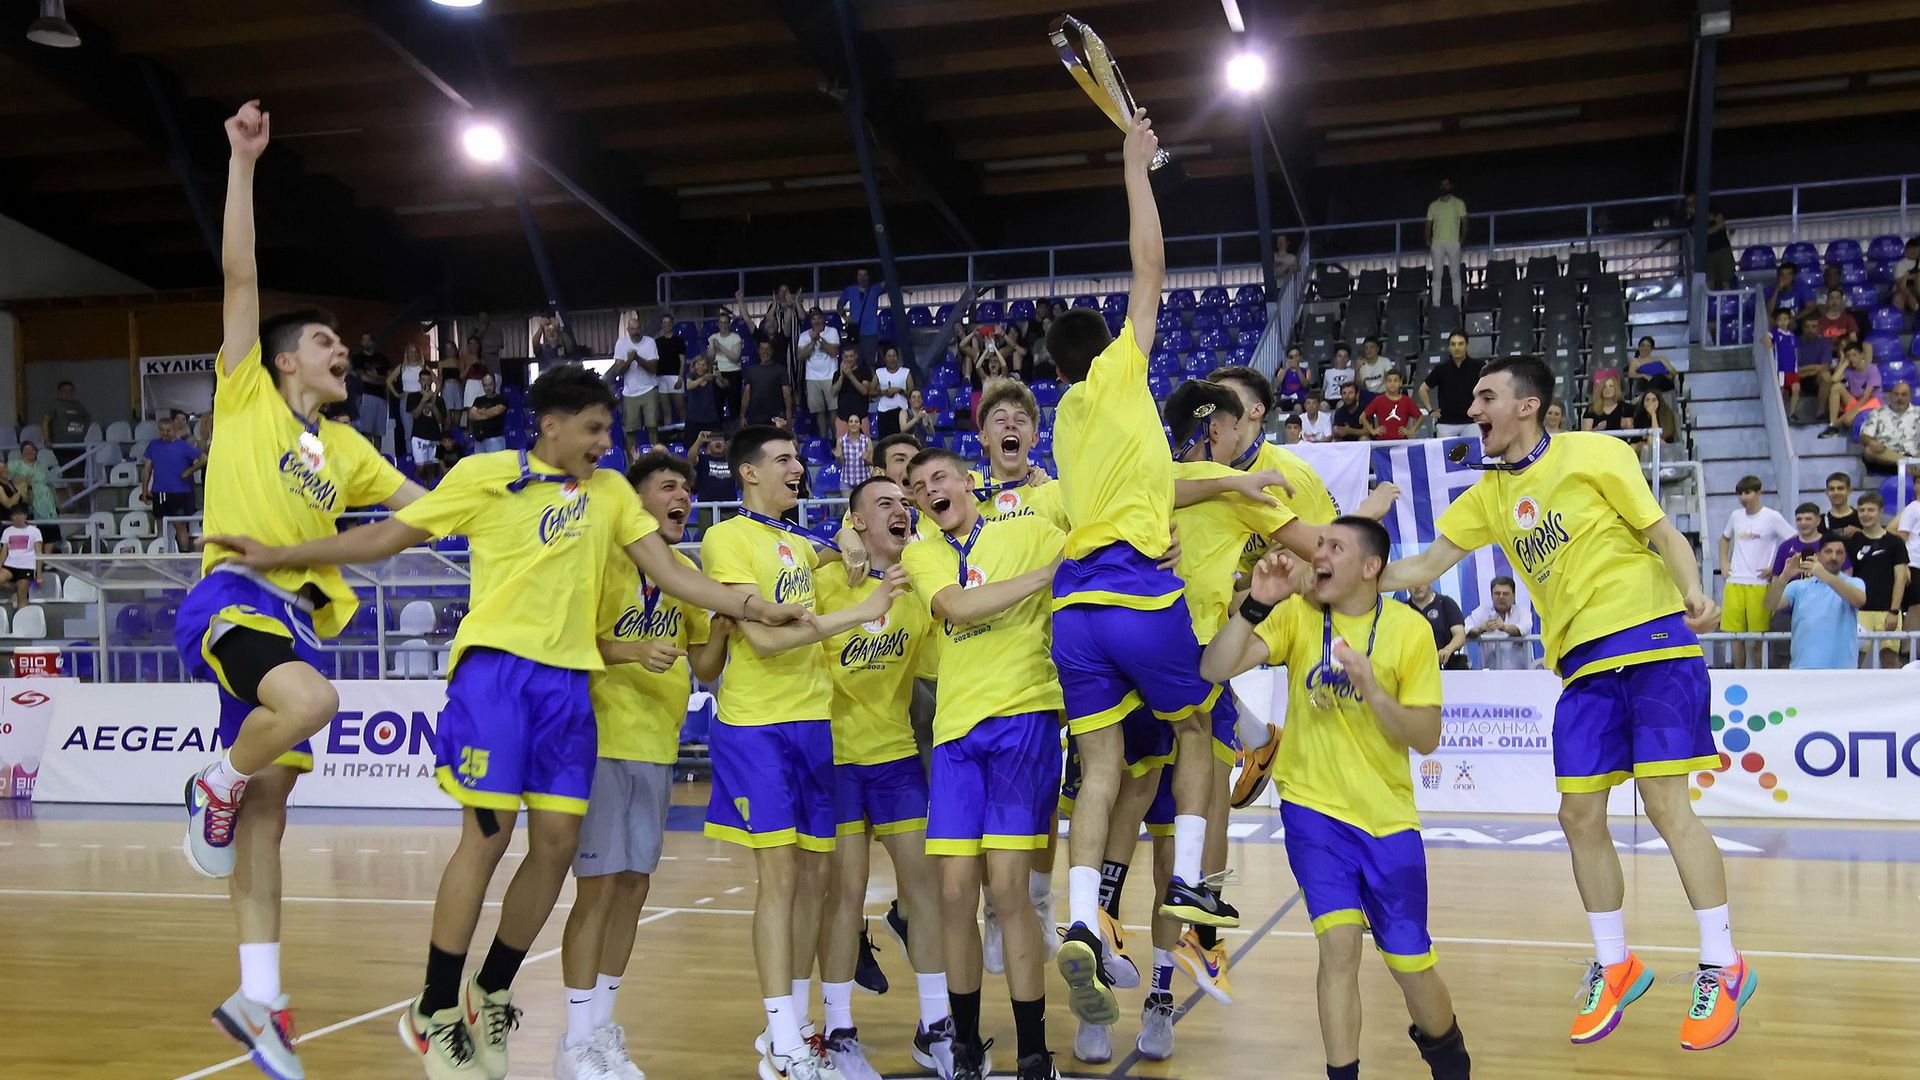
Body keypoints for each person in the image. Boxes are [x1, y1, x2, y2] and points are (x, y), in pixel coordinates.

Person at [210, 366, 809, 1080]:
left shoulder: (611, 493)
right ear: (551, 425)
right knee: (488, 838)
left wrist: (752, 607)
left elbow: (675, 575)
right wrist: (284, 556)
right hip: (496, 676)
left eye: (608, 430)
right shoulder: (485, 475)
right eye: (593, 428)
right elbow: (386, 538)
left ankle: (490, 989)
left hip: (568, 688)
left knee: (556, 846)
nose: (604, 443)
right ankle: (434, 1006)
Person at [1380, 355, 1753, 1052]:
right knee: (1576, 815)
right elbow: (1423, 567)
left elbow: (1662, 533)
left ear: (1526, 405)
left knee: (1666, 806)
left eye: (1485, 397)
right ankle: (1616, 965)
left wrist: (1694, 590)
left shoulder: (1597, 453)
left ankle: (1723, 963)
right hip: (1581, 665)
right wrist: (1343, 572)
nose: (1472, 410)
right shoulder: (1487, 496)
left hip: (1652, 641)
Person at [172, 100, 429, 1080]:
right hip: (233, 598)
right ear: (285, 360)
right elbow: (240, 274)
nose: (340, 350)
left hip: (298, 621)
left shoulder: (348, 446)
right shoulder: (246, 391)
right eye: (325, 340)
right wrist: (242, 163)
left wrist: (519, 499)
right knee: (313, 706)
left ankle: (259, 997)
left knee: (268, 818)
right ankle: (213, 780)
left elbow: (427, 511)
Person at [1045, 109, 1241, 1041]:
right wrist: (1135, 167)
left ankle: (1082, 919)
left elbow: (1161, 484)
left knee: (1100, 767)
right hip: (1134, 590)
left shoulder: (1065, 421)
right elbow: (1150, 266)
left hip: (1073, 609)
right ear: (1105, 350)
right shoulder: (1119, 374)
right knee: (1197, 723)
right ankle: (1195, 885)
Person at [1202, 526, 1472, 1080]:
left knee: (1411, 965)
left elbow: (1425, 737)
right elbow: (1213, 668)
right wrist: (1256, 603)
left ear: (1370, 568)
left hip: (1388, 821)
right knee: (1339, 947)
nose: (1318, 554)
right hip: (1313, 813)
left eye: (1334, 548)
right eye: (1319, 544)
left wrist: (1373, 690)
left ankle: (1451, 1064)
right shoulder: (1297, 615)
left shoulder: (1409, 630)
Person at [698, 425, 899, 1080]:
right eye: (783, 459)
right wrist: (862, 610)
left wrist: (845, 546)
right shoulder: (727, 539)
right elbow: (764, 641)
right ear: (748, 472)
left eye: (797, 457)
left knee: (815, 880)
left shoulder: (792, 539)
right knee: (780, 878)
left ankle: (791, 1025)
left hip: (814, 726)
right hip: (757, 727)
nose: (797, 466)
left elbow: (828, 549)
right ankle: (782, 1035)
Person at [556, 452, 728, 1080]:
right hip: (600, 741)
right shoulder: (601, 559)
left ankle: (601, 1029)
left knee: (633, 887)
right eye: (668, 487)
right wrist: (629, 650)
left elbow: (703, 666)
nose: (683, 497)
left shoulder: (685, 574)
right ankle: (574, 1039)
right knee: (598, 887)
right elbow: (565, 638)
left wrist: (725, 624)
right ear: (635, 503)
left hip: (657, 745)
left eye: (687, 489)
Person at [901, 447, 1067, 1080]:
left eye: (939, 477)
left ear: (969, 481)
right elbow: (957, 607)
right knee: (952, 895)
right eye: (918, 486)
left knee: (1008, 890)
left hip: (1023, 716)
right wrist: (1043, 576)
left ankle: (1033, 1054)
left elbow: (1098, 545)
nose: (929, 490)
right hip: (955, 732)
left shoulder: (1029, 527)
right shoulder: (922, 553)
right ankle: (967, 1047)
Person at [815, 476, 953, 1080]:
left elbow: (943, 665)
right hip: (837, 760)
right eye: (884, 503)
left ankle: (937, 1026)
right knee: (844, 896)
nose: (901, 509)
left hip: (896, 758)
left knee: (925, 892)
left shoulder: (920, 592)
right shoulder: (824, 581)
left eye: (904, 502)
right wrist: (837, 545)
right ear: (857, 521)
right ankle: (838, 1033)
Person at [1718, 477, 1794, 670]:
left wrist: (1775, 568)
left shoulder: (1772, 517)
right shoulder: (1736, 516)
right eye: (1741, 493)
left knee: (1759, 639)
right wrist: (1724, 562)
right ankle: (1738, 674)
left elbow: (1793, 542)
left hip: (1759, 584)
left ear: (1759, 493)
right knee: (1735, 637)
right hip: (1735, 582)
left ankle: (1760, 676)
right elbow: (1724, 538)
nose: (1744, 497)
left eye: (1748, 492)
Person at [1764, 535, 1866, 670]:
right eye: (1828, 551)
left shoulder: (1854, 583)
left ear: (1845, 557)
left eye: (1839, 552)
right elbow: (1770, 605)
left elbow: (1859, 600)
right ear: (1818, 555)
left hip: (1842, 670)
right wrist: (1784, 576)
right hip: (1803, 669)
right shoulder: (1799, 586)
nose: (1834, 557)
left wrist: (1824, 575)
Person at [1848, 492, 1909, 668]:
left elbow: (1900, 578)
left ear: (1880, 511)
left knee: (1890, 659)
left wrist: (1894, 611)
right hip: (1859, 612)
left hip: (1887, 611)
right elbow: (1847, 576)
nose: (1865, 514)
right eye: (1862, 510)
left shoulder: (1895, 542)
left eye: (1870, 510)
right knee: (1854, 660)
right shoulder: (1853, 542)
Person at [142, 413, 208, 551]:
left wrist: (189, 471)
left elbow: (203, 459)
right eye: (162, 431)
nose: (165, 434)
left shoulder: (183, 446)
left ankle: (184, 556)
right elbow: (147, 468)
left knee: (180, 526)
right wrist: (144, 490)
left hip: (180, 492)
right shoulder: (153, 445)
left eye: (168, 431)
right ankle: (162, 554)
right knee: (161, 526)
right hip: (160, 491)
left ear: (174, 429)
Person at [612, 314, 661, 453]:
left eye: (638, 328)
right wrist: (629, 360)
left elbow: (653, 369)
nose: (636, 331)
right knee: (630, 430)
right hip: (630, 392)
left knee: (652, 426)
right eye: (633, 329)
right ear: (628, 330)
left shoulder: (650, 342)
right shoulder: (621, 343)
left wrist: (637, 358)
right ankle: (632, 460)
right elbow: (619, 371)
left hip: (649, 389)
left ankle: (655, 456)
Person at [1420, 331, 1482, 439]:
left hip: (1472, 423)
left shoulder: (1479, 366)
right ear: (1449, 347)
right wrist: (1431, 411)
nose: (1457, 348)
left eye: (1460, 343)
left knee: (1474, 450)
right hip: (1446, 424)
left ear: (1467, 345)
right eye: (1453, 344)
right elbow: (1422, 390)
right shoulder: (1441, 369)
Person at [1465, 576, 1533, 670]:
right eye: (1497, 593)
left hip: (1519, 672)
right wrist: (1481, 629)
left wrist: (1504, 627)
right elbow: (1465, 628)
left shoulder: (1522, 611)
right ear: (1491, 595)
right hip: (1489, 673)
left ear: (1513, 595)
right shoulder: (1482, 611)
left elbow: (1525, 628)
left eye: (1505, 594)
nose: (1501, 597)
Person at [41, 379, 91, 495]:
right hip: (63, 446)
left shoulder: (78, 406)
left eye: (70, 390)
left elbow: (87, 419)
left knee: (78, 476)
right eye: (64, 390)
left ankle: (76, 500)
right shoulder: (55, 405)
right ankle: (82, 500)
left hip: (78, 446)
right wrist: (47, 439)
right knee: (72, 475)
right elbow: (45, 421)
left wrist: (82, 433)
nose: (67, 393)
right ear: (59, 392)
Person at [799, 310, 842, 440]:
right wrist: (812, 342)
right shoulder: (804, 336)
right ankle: (824, 440)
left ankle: (836, 440)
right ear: (810, 321)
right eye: (813, 319)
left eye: (818, 318)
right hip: (812, 378)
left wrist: (819, 339)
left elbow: (834, 352)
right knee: (819, 412)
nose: (816, 321)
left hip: (830, 376)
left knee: (834, 410)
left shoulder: (832, 332)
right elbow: (800, 356)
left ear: (823, 318)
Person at [1822, 342, 1882, 437]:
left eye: (1854, 355)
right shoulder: (1849, 370)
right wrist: (1844, 363)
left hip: (1872, 403)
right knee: (1836, 387)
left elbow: (1865, 399)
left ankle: (1834, 426)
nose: (1851, 358)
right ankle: (1832, 424)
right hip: (1857, 401)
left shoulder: (1872, 370)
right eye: (1848, 356)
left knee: (1847, 420)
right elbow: (1834, 379)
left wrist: (1844, 417)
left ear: (1862, 355)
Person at [1406, 581, 1469, 671]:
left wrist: (1447, 649)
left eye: (1422, 581)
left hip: (1444, 668)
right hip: (1412, 669)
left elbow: (1460, 635)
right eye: (1412, 582)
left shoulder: (1445, 603)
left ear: (1430, 581)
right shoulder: (1402, 609)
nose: (1417, 586)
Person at [1862, 380, 1920, 475]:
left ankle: (1908, 465)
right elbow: (1865, 436)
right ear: (1890, 396)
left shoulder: (1918, 413)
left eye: (1903, 394)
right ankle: (1905, 463)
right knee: (1869, 451)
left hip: (1914, 456)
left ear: (1910, 397)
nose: (1899, 398)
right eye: (1896, 394)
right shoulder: (1877, 412)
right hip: (1885, 458)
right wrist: (1871, 442)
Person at [1426, 178, 1468, 307]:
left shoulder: (1459, 203)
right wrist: (1428, 239)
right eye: (1443, 185)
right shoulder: (1433, 205)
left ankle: (1457, 305)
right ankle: (1436, 305)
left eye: (1447, 184)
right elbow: (1428, 223)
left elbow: (1465, 220)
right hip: (1437, 243)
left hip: (1453, 242)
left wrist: (1462, 238)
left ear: (1451, 186)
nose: (1445, 187)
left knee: (1455, 274)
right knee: (1437, 276)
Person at [1766, 307, 1808, 420]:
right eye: (1780, 319)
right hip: (1781, 369)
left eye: (1785, 319)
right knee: (1780, 392)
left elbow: (1796, 352)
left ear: (1789, 320)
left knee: (1796, 389)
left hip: (1793, 369)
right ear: (1776, 322)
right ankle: (1777, 415)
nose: (1783, 322)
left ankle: (1792, 413)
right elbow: (1765, 340)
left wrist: (1797, 367)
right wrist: (1769, 346)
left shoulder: (1794, 336)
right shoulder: (1774, 333)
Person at [837, 267, 885, 366]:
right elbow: (839, 305)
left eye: (865, 275)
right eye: (860, 275)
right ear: (857, 277)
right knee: (854, 363)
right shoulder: (850, 290)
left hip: (871, 332)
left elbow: (889, 281)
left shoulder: (875, 288)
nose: (862, 278)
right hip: (855, 331)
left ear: (869, 277)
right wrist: (844, 317)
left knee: (870, 363)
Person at [1771, 502, 1832, 580]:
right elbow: (1775, 580)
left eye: (1808, 519)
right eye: (1799, 519)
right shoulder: (1785, 547)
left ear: (1818, 521)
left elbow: (1844, 575)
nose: (1803, 523)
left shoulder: (1831, 544)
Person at [742, 339, 795, 429]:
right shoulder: (751, 370)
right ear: (758, 351)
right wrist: (742, 415)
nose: (765, 352)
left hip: (776, 417)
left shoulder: (780, 370)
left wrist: (789, 414)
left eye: (768, 349)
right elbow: (746, 395)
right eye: (762, 349)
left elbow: (786, 394)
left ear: (772, 351)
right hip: (755, 417)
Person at [353, 334, 394, 448]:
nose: (366, 342)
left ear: (373, 342)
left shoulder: (382, 358)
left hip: (382, 398)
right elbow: (363, 378)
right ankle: (367, 455)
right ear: (361, 342)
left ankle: (377, 456)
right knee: (366, 431)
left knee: (378, 432)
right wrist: (382, 379)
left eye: (368, 340)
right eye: (364, 340)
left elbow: (390, 378)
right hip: (366, 396)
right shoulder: (358, 358)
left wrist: (376, 377)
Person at [711, 299, 747, 427]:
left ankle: (736, 430)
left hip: (733, 372)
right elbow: (710, 357)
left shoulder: (735, 338)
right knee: (717, 404)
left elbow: (736, 358)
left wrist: (720, 347)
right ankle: (719, 430)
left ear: (729, 324)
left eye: (725, 322)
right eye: (721, 322)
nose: (723, 325)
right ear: (718, 324)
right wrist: (713, 348)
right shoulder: (713, 337)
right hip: (718, 372)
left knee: (734, 404)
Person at [388, 343, 430, 448]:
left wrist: (429, 394)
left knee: (423, 429)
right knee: (408, 431)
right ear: (407, 354)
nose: (413, 354)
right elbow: (389, 381)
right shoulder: (402, 367)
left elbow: (435, 381)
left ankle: (423, 453)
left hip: (421, 398)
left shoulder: (423, 367)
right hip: (406, 398)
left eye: (415, 352)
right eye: (411, 352)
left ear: (419, 353)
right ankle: (411, 454)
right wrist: (397, 394)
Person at [1, 506, 43, 609]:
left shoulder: (35, 531)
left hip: (27, 566)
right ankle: (14, 586)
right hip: (10, 565)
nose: (17, 517)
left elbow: (39, 553)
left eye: (20, 514)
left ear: (25, 516)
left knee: (22, 593)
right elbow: (4, 553)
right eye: (15, 515)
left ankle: (22, 615)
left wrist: (38, 574)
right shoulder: (7, 531)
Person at [651, 314, 687, 436]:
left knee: (680, 408)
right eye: (664, 323)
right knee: (666, 411)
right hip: (660, 378)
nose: (666, 325)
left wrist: (680, 377)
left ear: (672, 324)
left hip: (675, 377)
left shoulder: (679, 341)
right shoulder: (656, 342)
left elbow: (682, 360)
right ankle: (669, 436)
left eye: (668, 323)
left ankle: (684, 433)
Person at [1361, 370, 1422, 440]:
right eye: (1389, 381)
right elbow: (1363, 417)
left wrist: (1411, 430)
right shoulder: (1379, 400)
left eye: (1395, 380)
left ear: (1400, 383)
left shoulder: (1407, 400)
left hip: (1401, 441)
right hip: (1383, 441)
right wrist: (1372, 431)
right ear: (1385, 383)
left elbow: (1420, 417)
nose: (1392, 383)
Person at [831, 345, 874, 441]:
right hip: (843, 418)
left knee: (865, 447)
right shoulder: (837, 374)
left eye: (851, 356)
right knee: (841, 448)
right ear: (842, 357)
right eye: (846, 356)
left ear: (856, 356)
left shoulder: (864, 371)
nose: (849, 359)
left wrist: (850, 375)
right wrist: (842, 376)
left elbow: (864, 391)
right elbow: (833, 392)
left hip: (861, 418)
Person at [873, 346, 914, 439]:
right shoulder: (879, 372)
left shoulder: (906, 372)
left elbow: (912, 393)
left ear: (898, 358)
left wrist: (900, 390)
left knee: (902, 441)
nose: (892, 359)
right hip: (884, 412)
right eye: (889, 356)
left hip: (902, 413)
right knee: (885, 442)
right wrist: (884, 392)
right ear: (884, 359)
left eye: (894, 356)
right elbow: (871, 391)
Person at [1629, 389, 1680, 464]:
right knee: (1632, 447)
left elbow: (1657, 434)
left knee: (1652, 439)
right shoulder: (1640, 416)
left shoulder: (1667, 415)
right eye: (1647, 400)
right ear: (1643, 402)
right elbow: (1639, 438)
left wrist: (1653, 414)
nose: (1650, 403)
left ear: (1659, 402)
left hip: (1666, 446)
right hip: (1643, 446)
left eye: (1653, 400)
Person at [681, 353, 724, 437]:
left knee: (715, 442)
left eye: (703, 365)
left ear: (707, 366)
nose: (700, 367)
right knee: (691, 443)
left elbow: (724, 385)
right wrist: (703, 378)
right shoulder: (690, 376)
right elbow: (689, 386)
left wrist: (719, 377)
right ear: (694, 365)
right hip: (693, 419)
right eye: (698, 364)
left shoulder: (712, 378)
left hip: (711, 419)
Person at [692, 431, 736, 506]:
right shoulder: (702, 459)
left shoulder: (732, 460)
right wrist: (699, 441)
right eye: (714, 440)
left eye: (721, 440)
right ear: (708, 445)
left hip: (730, 506)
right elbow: (691, 458)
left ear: (726, 444)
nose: (718, 442)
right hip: (706, 506)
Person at [466, 375, 507, 455]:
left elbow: (496, 412)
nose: (487, 388)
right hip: (479, 440)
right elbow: (471, 415)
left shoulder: (501, 399)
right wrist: (488, 414)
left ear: (495, 384)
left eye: (490, 384)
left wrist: (479, 411)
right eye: (485, 385)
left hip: (495, 439)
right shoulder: (478, 400)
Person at [1820, 473, 1861, 539]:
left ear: (1849, 491)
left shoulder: (1862, 518)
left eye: (1840, 488)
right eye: (1832, 489)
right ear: (1826, 492)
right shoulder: (1820, 521)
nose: (1836, 493)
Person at [1891, 236, 1920, 316]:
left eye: (1916, 249)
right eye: (1911, 249)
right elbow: (1901, 285)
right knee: (1898, 299)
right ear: (1906, 249)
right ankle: (1900, 321)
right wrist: (1910, 296)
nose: (1913, 252)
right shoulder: (1901, 264)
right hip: (1904, 289)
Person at [1276, 347, 1309, 412]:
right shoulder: (1282, 371)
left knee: (1297, 407)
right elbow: (1277, 385)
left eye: (1296, 356)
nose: (1294, 359)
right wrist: (1286, 368)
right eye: (1291, 357)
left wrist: (1297, 368)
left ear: (1300, 357)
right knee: (1278, 409)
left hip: (1300, 399)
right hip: (1285, 398)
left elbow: (1305, 384)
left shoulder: (1306, 371)